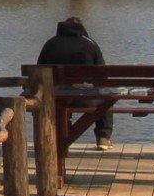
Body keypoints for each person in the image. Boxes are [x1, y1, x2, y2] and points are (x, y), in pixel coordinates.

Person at [36, 15, 113, 148]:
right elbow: (102, 76)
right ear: (81, 28)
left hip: (53, 98)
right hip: (84, 98)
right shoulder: (90, 44)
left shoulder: (50, 44)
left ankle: (52, 138)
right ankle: (103, 137)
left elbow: (38, 71)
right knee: (107, 97)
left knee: (54, 101)